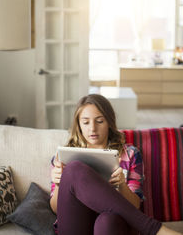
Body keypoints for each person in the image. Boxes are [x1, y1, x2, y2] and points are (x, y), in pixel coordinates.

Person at [50, 94, 182, 235]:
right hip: (76, 225)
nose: (92, 128)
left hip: (112, 225)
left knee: (107, 221)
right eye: (86, 122)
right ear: (79, 125)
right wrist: (59, 184)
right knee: (74, 169)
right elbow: (56, 209)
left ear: (109, 122)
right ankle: (155, 229)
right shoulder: (63, 157)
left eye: (99, 121)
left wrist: (122, 186)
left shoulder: (130, 154)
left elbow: (135, 205)